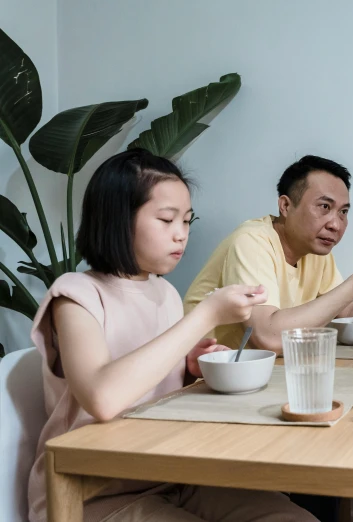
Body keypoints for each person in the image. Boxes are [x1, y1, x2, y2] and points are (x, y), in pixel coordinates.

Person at [27, 149, 317, 522]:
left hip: (169, 473)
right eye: (166, 220)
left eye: (187, 220)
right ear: (117, 219)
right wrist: (205, 315)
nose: (181, 234)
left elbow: (154, 386)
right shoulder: (75, 295)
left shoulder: (163, 292)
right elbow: (102, 398)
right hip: (91, 493)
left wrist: (189, 366)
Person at [183, 155, 353, 353]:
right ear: (285, 205)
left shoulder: (317, 252)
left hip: (266, 375)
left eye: (343, 212)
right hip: (199, 380)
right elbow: (268, 336)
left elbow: (343, 310)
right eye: (324, 207)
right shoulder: (251, 241)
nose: (335, 224)